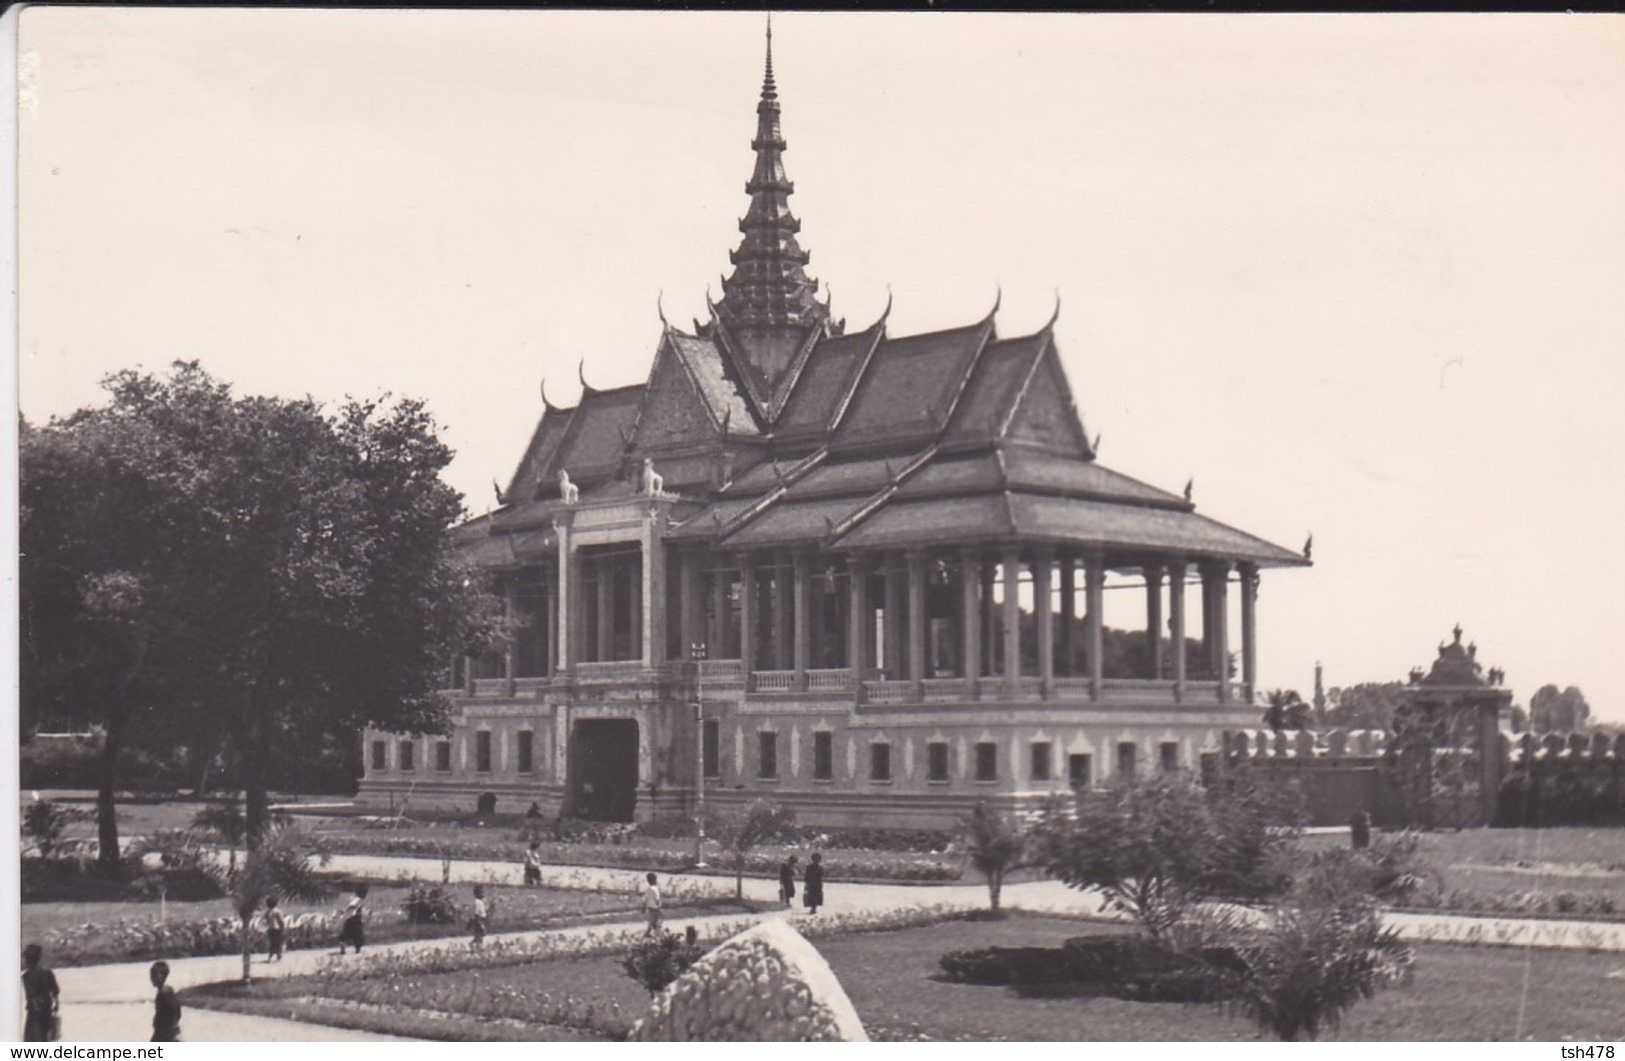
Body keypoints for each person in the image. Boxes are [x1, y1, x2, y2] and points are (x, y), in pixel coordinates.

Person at [21, 943, 60, 1042]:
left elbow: (31, 994)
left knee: (31, 1039)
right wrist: (56, 1004)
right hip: (46, 1007)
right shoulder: (47, 972)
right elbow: (55, 990)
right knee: (45, 1037)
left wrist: (36, 1005)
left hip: (34, 1010)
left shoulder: (26, 976)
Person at [150, 961, 181, 1042]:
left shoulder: (164, 994)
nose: (151, 977)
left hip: (164, 1034)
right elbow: (177, 1012)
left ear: (163, 976)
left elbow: (174, 1010)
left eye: (154, 975)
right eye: (151, 974)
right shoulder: (167, 991)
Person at [336, 883, 369, 955]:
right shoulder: (358, 900)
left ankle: (343, 944)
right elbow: (352, 906)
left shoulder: (352, 898)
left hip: (349, 919)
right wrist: (347, 909)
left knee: (346, 933)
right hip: (355, 919)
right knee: (358, 934)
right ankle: (357, 949)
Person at [264, 896, 286, 962]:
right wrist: (282, 927)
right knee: (278, 942)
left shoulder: (267, 912)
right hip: (277, 929)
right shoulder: (277, 911)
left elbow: (266, 920)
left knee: (272, 942)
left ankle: (270, 956)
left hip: (270, 929)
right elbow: (281, 921)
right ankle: (278, 956)